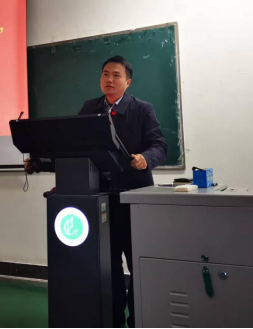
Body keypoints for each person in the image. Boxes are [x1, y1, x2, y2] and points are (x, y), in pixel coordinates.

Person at [25, 56, 168, 328]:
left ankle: (138, 319)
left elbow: (160, 146)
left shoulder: (142, 109)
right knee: (107, 265)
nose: (109, 79)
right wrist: (41, 163)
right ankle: (113, 319)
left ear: (128, 81)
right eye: (105, 74)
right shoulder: (90, 108)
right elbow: (75, 149)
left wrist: (146, 158)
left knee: (137, 264)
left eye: (116, 75)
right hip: (99, 200)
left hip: (132, 200)